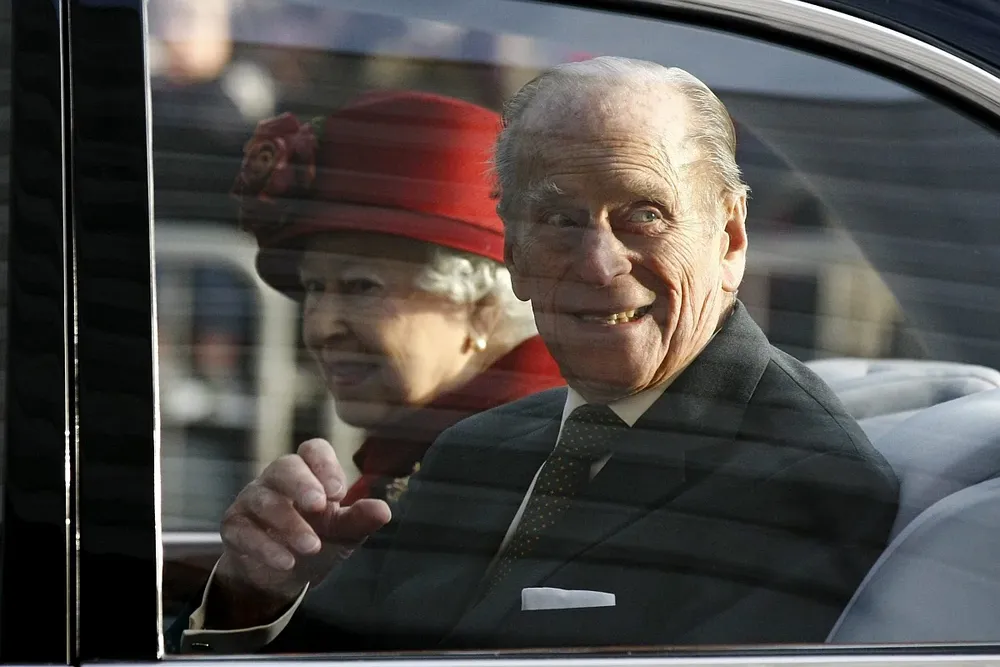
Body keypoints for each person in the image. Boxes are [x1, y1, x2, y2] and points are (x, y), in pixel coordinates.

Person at [174, 58, 899, 653]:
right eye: (558, 219)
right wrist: (254, 591)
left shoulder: (804, 482)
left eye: (644, 214)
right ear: (514, 255)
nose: (597, 260)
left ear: (730, 239)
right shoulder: (479, 446)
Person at [229, 91, 564, 510]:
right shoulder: (431, 451)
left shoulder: (533, 463)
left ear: (481, 310)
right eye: (314, 287)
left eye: (361, 287)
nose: (319, 327)